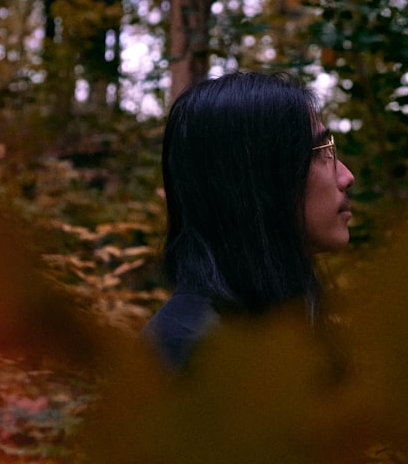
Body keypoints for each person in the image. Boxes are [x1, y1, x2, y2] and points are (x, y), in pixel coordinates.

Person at [142, 71, 355, 370]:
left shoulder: (282, 322)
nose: (346, 177)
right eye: (323, 153)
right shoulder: (185, 351)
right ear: (258, 179)